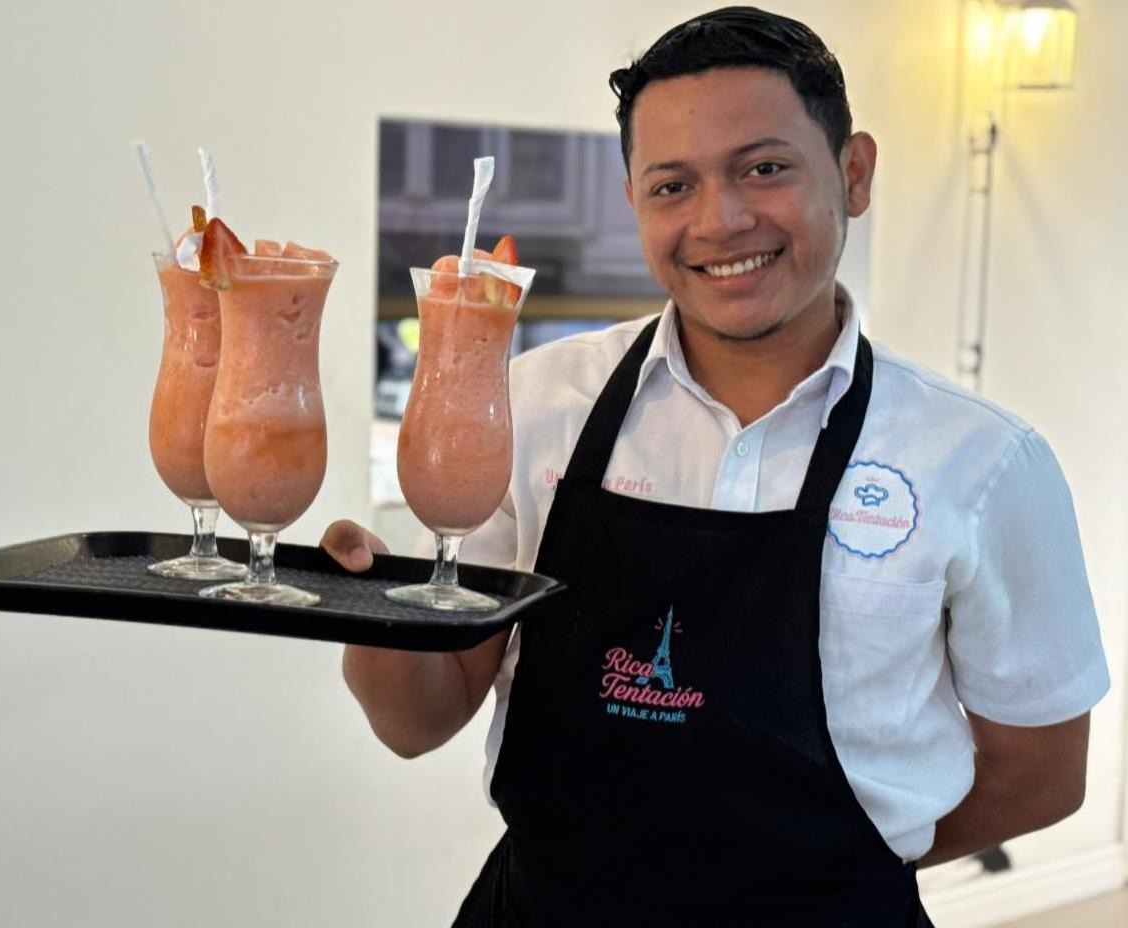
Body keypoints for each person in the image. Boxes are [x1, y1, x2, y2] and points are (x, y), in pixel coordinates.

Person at [323, 7, 1110, 925]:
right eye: (672, 185)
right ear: (633, 201)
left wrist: (825, 876)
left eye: (764, 168)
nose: (719, 220)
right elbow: (419, 720)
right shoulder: (533, 407)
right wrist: (372, 616)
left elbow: (1041, 774)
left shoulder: (980, 463)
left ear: (853, 174)